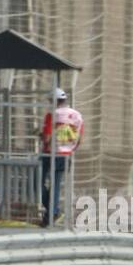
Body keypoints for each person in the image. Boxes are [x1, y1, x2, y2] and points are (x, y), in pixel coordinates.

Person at [41, 87, 84, 226]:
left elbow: (47, 138)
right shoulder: (77, 115)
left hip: (50, 154)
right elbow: (80, 138)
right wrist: (69, 148)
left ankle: (52, 211)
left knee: (37, 182)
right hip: (66, 155)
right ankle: (52, 213)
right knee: (56, 185)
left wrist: (40, 135)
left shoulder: (52, 115)